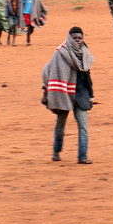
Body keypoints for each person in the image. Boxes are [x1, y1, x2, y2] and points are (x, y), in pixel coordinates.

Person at [42, 27, 95, 164]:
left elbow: (87, 76)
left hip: (81, 94)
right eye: (75, 38)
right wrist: (45, 89)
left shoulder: (85, 53)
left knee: (83, 127)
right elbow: (47, 70)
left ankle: (82, 156)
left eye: (80, 38)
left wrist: (91, 96)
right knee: (60, 126)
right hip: (64, 93)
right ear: (70, 38)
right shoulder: (61, 52)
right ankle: (56, 151)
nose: (77, 40)